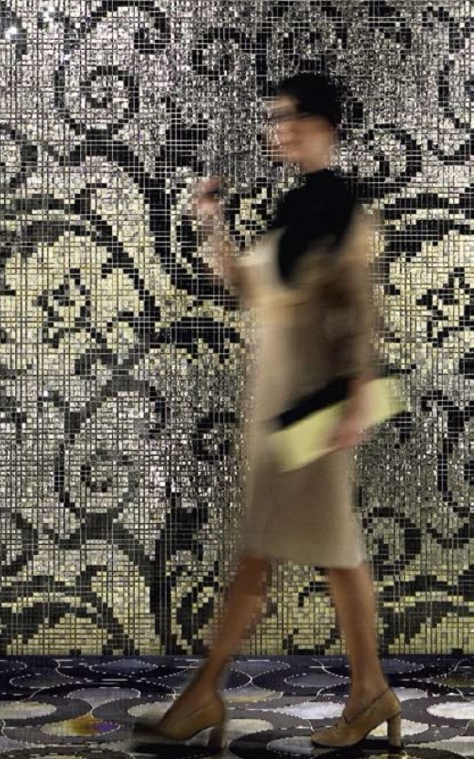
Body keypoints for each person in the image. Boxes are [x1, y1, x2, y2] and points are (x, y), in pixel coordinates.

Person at [134, 72, 402, 751]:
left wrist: (354, 395)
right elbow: (250, 290)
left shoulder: (341, 208)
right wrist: (210, 222)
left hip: (313, 409)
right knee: (327, 554)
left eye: (285, 117)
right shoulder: (296, 206)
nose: (274, 130)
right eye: (273, 119)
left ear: (320, 125)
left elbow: (359, 309)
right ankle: (367, 691)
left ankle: (204, 695)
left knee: (283, 553)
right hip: (279, 403)